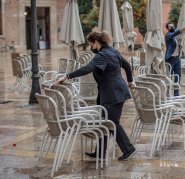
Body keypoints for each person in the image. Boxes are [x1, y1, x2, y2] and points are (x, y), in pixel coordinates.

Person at [55, 31, 136, 161]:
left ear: (96, 43)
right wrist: (130, 80)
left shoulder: (102, 55)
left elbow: (87, 68)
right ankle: (99, 153)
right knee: (104, 122)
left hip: (112, 93)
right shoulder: (113, 51)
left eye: (91, 44)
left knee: (111, 122)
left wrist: (67, 76)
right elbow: (126, 65)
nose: (90, 47)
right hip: (115, 91)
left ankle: (128, 149)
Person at [165, 22, 185, 96]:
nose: (172, 27)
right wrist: (181, 29)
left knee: (177, 77)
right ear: (167, 28)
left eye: (173, 26)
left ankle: (176, 94)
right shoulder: (168, 35)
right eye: (170, 27)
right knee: (169, 78)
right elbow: (173, 34)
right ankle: (167, 94)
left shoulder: (175, 38)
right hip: (170, 59)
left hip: (177, 59)